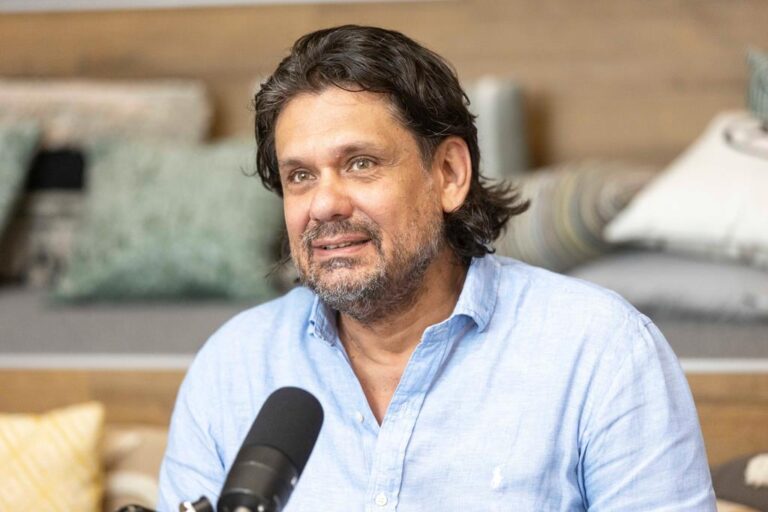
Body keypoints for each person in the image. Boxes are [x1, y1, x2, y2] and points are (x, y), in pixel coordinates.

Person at [158, 25, 716, 511]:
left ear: (448, 173)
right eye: (300, 176)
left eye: (360, 163)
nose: (323, 204)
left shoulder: (603, 352)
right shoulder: (231, 368)